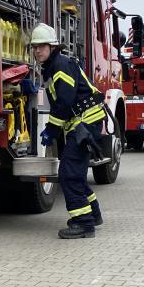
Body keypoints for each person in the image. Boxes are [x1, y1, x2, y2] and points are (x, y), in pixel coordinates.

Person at [31, 23, 105, 239]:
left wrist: (51, 130)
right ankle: (93, 215)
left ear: (52, 47)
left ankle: (83, 224)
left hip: (85, 123)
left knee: (69, 174)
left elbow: (64, 102)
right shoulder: (54, 66)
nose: (37, 51)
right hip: (81, 124)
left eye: (41, 46)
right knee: (76, 173)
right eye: (35, 47)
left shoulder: (60, 66)